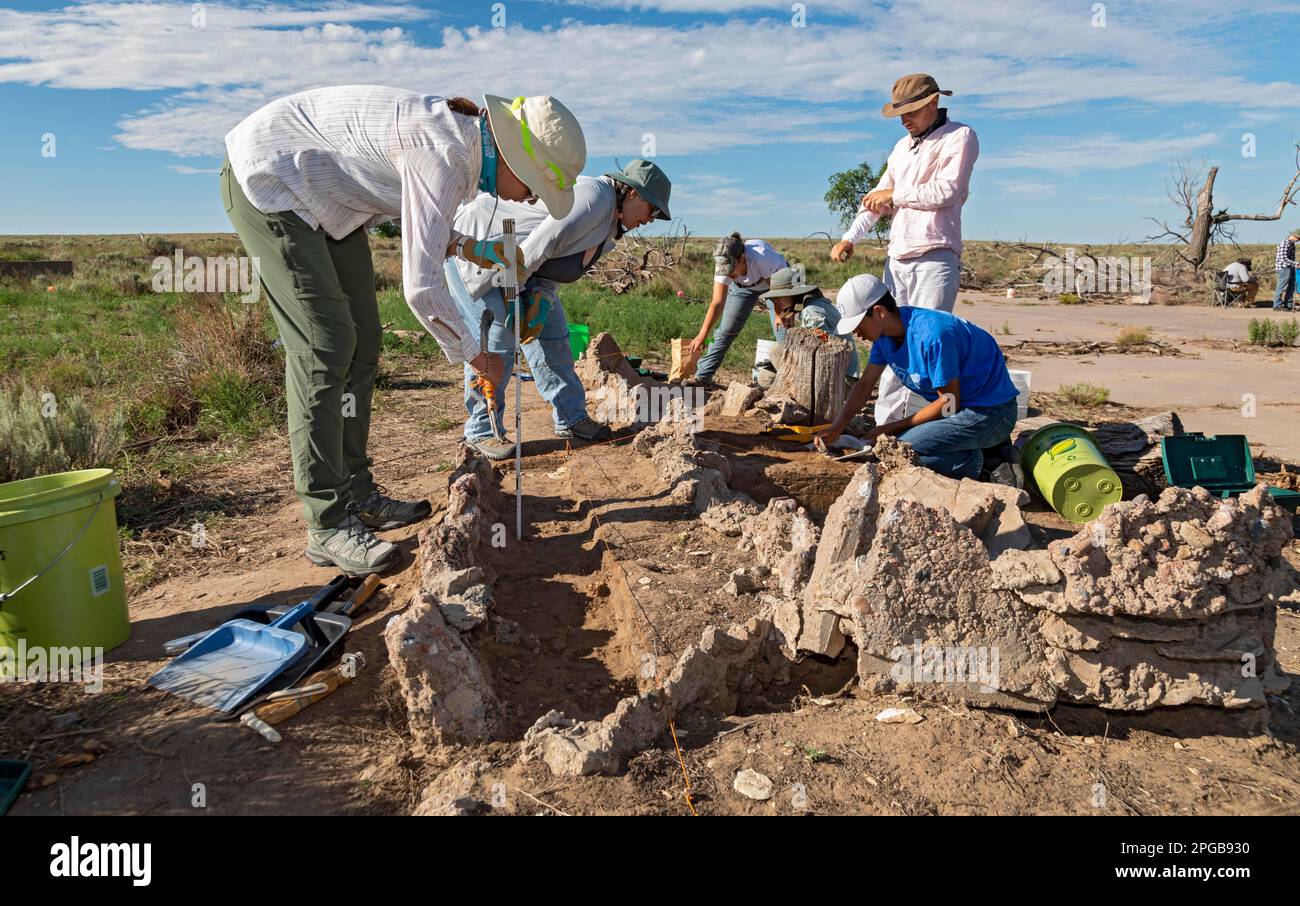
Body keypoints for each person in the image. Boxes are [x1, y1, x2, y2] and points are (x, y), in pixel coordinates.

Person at [222, 87, 586, 574]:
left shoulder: (456, 150)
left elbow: (422, 219)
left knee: (363, 337)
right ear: (516, 159)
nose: (531, 199)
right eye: (536, 186)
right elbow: (420, 288)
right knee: (325, 344)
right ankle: (326, 522)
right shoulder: (446, 153)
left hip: (332, 208)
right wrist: (481, 356)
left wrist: (469, 248)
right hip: (270, 182)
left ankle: (357, 492)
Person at [447, 159, 673, 459]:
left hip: (521, 268)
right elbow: (540, 244)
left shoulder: (609, 228)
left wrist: (541, 297)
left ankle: (570, 417)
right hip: (482, 253)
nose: (650, 220)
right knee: (496, 345)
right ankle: (481, 430)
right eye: (652, 211)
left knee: (553, 337)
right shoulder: (593, 197)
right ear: (633, 193)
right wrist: (514, 296)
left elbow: (555, 263)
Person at [828, 74, 979, 427]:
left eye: (910, 111)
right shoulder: (901, 147)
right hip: (898, 260)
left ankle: (918, 431)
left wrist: (895, 196)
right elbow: (875, 199)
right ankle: (884, 429)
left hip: (934, 256)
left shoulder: (960, 136)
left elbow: (949, 191)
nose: (904, 119)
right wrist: (851, 237)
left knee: (925, 346)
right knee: (891, 347)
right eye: (900, 113)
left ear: (932, 104)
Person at [815, 274, 1019, 483]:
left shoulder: (933, 335)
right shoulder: (884, 338)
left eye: (858, 324)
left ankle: (987, 462)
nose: (856, 332)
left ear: (879, 312)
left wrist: (891, 428)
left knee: (902, 450)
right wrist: (837, 427)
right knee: (899, 446)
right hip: (958, 411)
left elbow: (949, 403)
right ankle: (981, 447)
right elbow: (865, 385)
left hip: (991, 412)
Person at [687, 233, 788, 386]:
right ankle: (702, 377)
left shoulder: (761, 257)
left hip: (776, 286)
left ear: (742, 258)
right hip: (743, 289)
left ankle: (787, 381)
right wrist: (703, 335)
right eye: (725, 272)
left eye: (731, 270)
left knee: (783, 331)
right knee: (724, 331)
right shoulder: (723, 262)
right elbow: (717, 302)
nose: (729, 275)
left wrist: (780, 315)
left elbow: (777, 293)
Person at [757, 266, 859, 381]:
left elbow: (822, 344)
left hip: (839, 377)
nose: (776, 301)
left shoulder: (811, 311)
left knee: (776, 351)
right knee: (765, 377)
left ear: (793, 294)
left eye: (778, 296)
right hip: (832, 369)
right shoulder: (810, 304)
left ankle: (796, 389)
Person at [1274, 229, 1299, 311]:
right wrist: (1295, 263)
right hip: (1283, 268)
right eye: (1298, 238)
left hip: (1290, 267)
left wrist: (1295, 265)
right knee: (1282, 287)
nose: (1298, 240)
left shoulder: (1291, 244)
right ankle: (1277, 305)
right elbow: (1283, 259)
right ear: (1293, 236)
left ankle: (1288, 305)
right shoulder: (1285, 244)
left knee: (1292, 286)